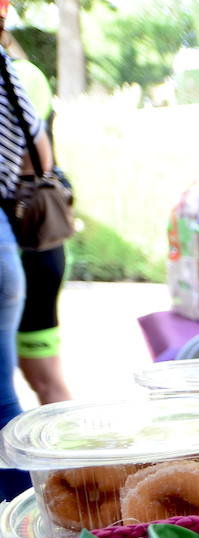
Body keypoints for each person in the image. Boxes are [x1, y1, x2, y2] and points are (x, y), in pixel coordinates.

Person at [0, 0, 52, 500]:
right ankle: (29, 522)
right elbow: (41, 157)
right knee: (1, 398)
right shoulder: (10, 73)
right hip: (4, 240)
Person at [3, 35, 69, 403]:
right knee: (45, 380)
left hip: (25, 240)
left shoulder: (18, 74)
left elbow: (30, 158)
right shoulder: (25, 72)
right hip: (41, 241)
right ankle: (78, 462)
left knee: (40, 379)